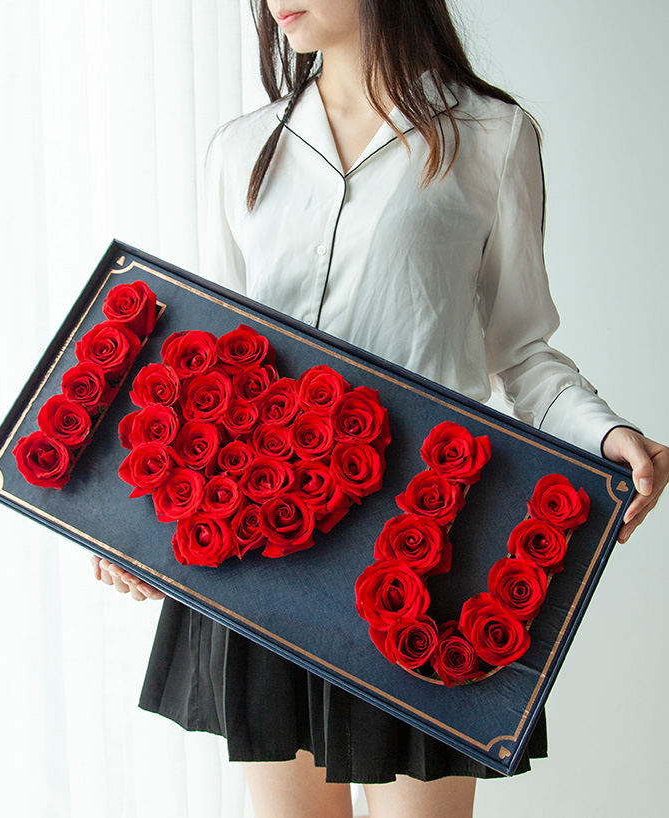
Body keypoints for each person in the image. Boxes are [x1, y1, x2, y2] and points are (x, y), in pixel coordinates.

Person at [92, 2, 669, 816]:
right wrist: (136, 529)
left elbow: (522, 353)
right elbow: (215, 366)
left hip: (415, 555)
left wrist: (605, 434)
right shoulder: (241, 147)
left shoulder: (491, 137)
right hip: (257, 535)